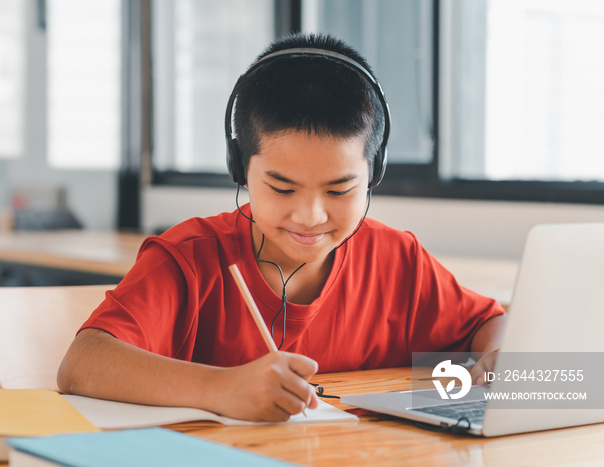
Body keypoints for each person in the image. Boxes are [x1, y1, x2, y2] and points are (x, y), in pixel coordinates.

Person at [57, 33, 506, 422]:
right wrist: (222, 389)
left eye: (339, 189)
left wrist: (504, 356)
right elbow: (83, 364)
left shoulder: (396, 260)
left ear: (376, 172)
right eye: (281, 188)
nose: (310, 215)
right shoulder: (190, 259)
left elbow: (488, 323)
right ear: (239, 169)